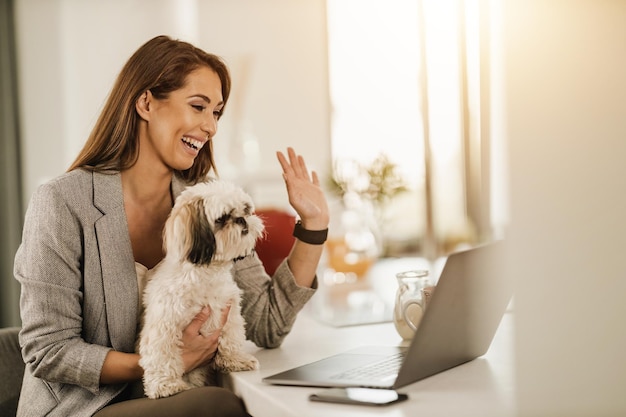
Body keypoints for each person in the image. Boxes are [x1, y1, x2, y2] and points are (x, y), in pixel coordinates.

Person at [13, 35, 329, 417]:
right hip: (87, 407)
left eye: (217, 113)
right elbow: (49, 349)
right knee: (218, 406)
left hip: (179, 394)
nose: (210, 126)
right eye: (198, 106)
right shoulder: (63, 202)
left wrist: (313, 225)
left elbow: (267, 323)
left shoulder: (208, 205)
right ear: (146, 103)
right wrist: (161, 361)